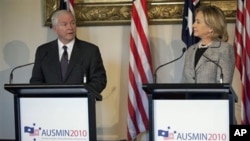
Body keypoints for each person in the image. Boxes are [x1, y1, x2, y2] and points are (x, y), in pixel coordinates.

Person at [30, 10, 107, 93]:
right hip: (51, 103)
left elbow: (99, 80)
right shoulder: (43, 51)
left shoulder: (90, 51)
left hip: (80, 103)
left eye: (73, 23)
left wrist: (81, 93)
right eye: (65, 24)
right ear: (55, 29)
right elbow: (36, 81)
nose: (70, 27)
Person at [181, 5, 235, 84]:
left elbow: (223, 84)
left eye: (198, 22)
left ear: (211, 28)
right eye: (194, 21)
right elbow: (184, 81)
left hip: (211, 97)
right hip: (190, 96)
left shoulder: (224, 49)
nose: (193, 25)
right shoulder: (190, 50)